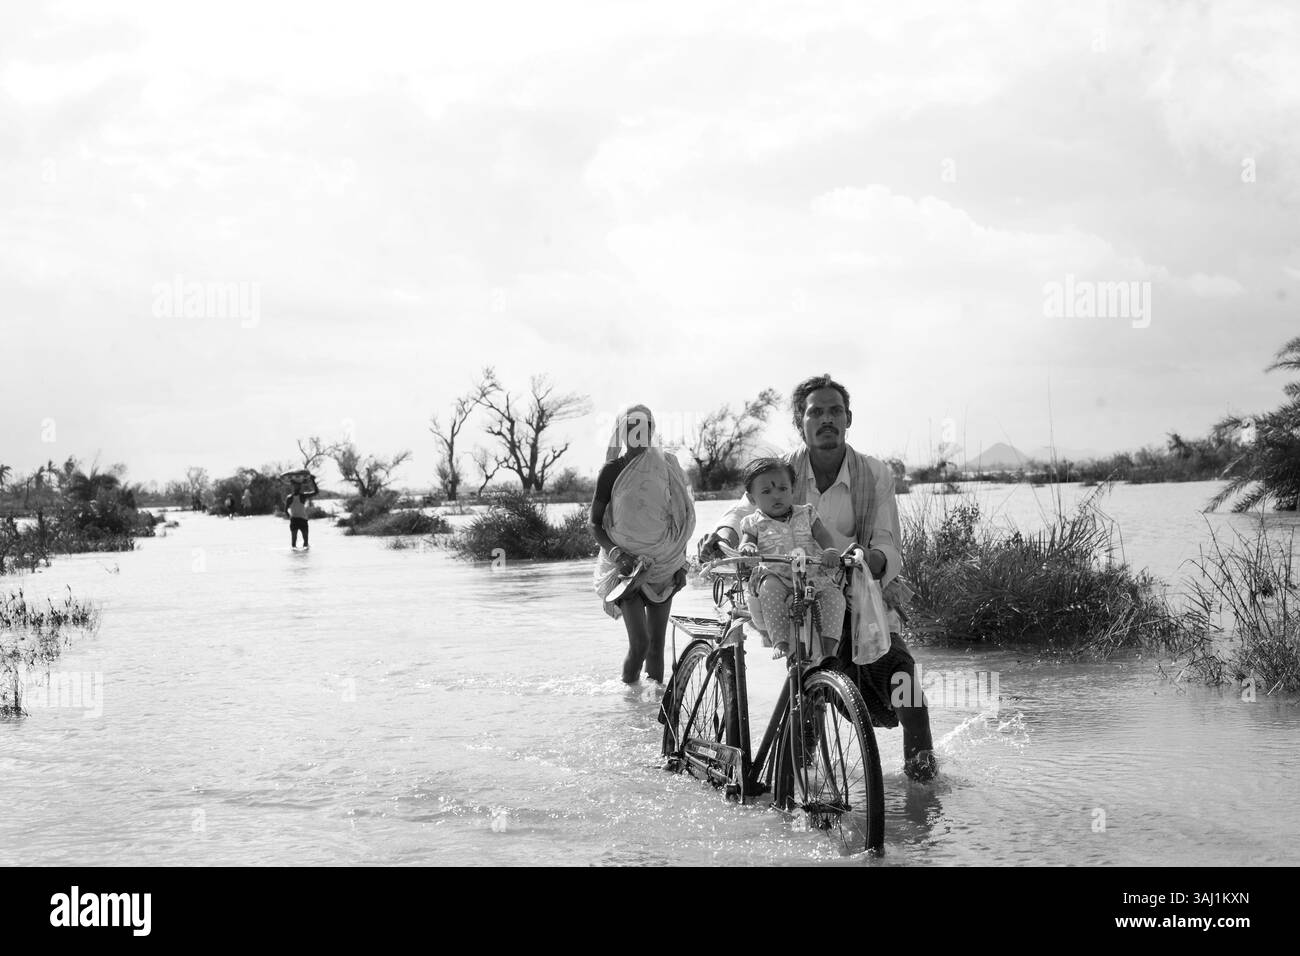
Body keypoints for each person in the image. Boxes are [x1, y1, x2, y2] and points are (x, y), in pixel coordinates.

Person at [699, 374, 938, 782]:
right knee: (809, 690)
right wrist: (721, 537)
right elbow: (742, 513)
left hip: (857, 595)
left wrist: (869, 558)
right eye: (816, 412)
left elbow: (887, 543)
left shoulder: (874, 474)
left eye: (835, 411)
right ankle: (799, 788)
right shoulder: (781, 471)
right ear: (800, 422)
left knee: (906, 686)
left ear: (848, 419)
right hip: (792, 595)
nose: (827, 419)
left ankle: (925, 793)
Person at [590, 405, 696, 685]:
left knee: (656, 648)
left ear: (652, 431)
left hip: (665, 565)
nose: (638, 432)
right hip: (627, 566)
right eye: (631, 426)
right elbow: (595, 524)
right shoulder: (612, 471)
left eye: (645, 426)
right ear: (621, 432)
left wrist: (682, 565)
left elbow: (681, 520)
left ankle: (648, 719)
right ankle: (628, 698)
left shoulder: (667, 466)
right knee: (639, 643)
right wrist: (617, 553)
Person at [736, 458, 846, 660]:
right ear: (752, 499)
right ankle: (781, 641)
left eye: (782, 488)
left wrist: (830, 551)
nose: (776, 496)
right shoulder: (753, 522)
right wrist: (748, 546)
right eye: (766, 492)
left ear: (792, 489)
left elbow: (823, 535)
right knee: (769, 590)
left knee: (834, 596)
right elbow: (746, 541)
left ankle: (829, 650)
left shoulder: (807, 513)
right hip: (776, 576)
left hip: (811, 574)